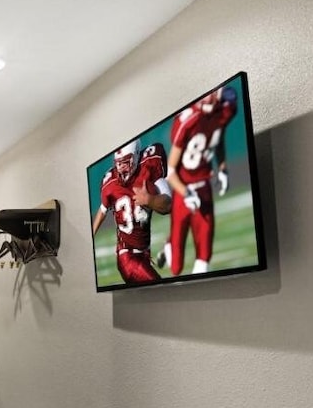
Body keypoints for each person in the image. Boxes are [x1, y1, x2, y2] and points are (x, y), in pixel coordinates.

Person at [158, 85, 238, 275]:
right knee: (176, 268)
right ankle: (169, 245)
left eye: (212, 91)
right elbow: (170, 171)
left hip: (204, 189)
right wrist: (186, 193)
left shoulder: (225, 110)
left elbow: (217, 137)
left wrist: (222, 168)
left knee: (204, 261)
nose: (206, 97)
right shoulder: (188, 120)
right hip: (183, 191)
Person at [92, 141, 172, 285]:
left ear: (135, 156)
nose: (121, 167)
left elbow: (168, 204)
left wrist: (149, 200)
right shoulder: (110, 182)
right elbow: (102, 210)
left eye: (125, 162)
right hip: (127, 256)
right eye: (118, 163)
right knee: (162, 289)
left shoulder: (149, 165)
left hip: (144, 254)